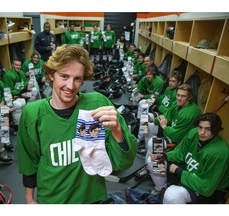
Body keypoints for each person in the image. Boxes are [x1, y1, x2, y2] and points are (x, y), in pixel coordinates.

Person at [17, 44, 138, 204]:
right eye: (64, 76)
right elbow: (29, 159)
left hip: (92, 197)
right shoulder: (33, 113)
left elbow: (123, 161)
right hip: (53, 199)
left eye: (78, 79)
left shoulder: (97, 103)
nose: (70, 86)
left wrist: (118, 132)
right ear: (52, 75)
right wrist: (29, 198)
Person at [159, 113, 229, 204]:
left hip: (209, 190)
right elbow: (181, 153)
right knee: (157, 160)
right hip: (191, 172)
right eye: (200, 127)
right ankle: (160, 189)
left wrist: (179, 171)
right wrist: (164, 155)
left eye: (208, 129)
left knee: (171, 195)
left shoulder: (220, 153)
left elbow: (206, 187)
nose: (202, 132)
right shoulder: (194, 133)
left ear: (216, 130)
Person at [143, 84, 201, 192]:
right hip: (169, 134)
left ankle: (161, 187)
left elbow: (174, 136)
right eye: (178, 95)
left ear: (189, 97)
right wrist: (155, 120)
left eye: (183, 96)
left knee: (154, 144)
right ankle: (148, 166)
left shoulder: (190, 113)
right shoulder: (176, 103)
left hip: (178, 142)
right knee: (147, 125)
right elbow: (166, 116)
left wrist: (164, 126)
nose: (179, 98)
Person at [2, 59, 32, 134]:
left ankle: (28, 118)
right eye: (16, 65)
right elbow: (8, 91)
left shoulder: (21, 72)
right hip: (12, 97)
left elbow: (24, 82)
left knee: (33, 93)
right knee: (18, 104)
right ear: (12, 65)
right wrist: (20, 95)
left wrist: (28, 86)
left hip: (21, 94)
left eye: (19, 65)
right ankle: (17, 126)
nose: (18, 67)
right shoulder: (8, 75)